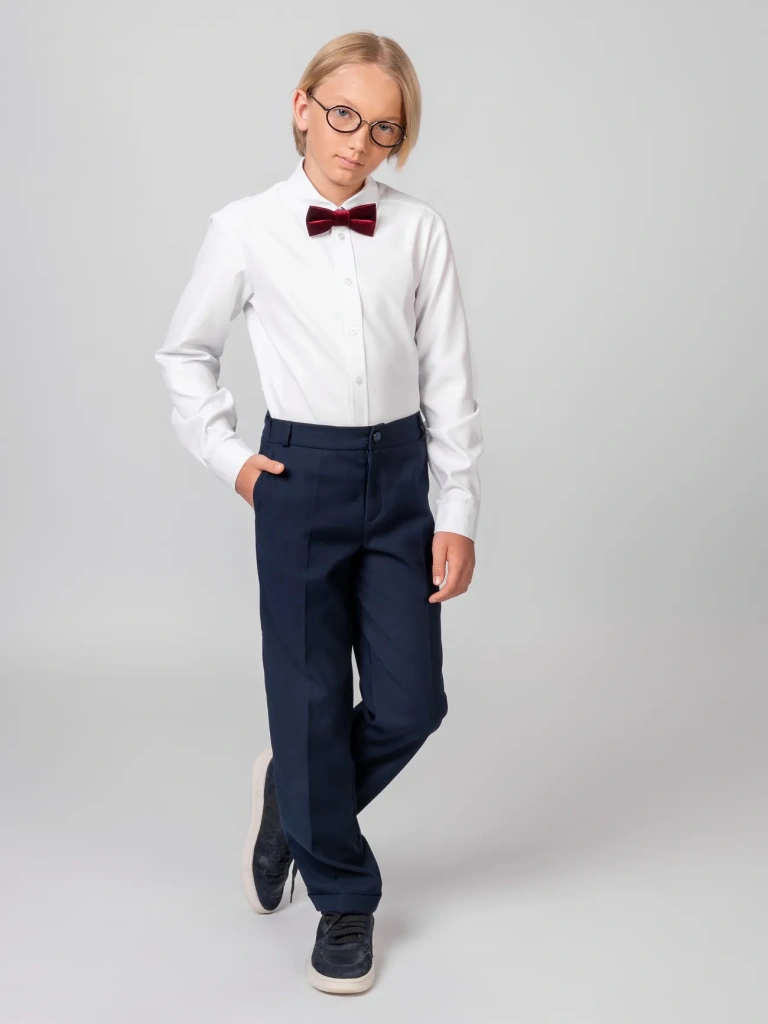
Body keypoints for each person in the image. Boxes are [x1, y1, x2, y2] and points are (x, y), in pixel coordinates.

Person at [154, 31, 484, 995]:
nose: (359, 141)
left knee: (413, 703)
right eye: (344, 114)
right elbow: (184, 355)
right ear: (302, 107)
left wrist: (458, 508)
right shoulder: (245, 227)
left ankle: (294, 803)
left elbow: (450, 379)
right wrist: (235, 463)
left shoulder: (418, 231)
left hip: (401, 476)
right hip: (300, 473)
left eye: (384, 129)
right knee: (307, 697)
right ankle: (344, 898)